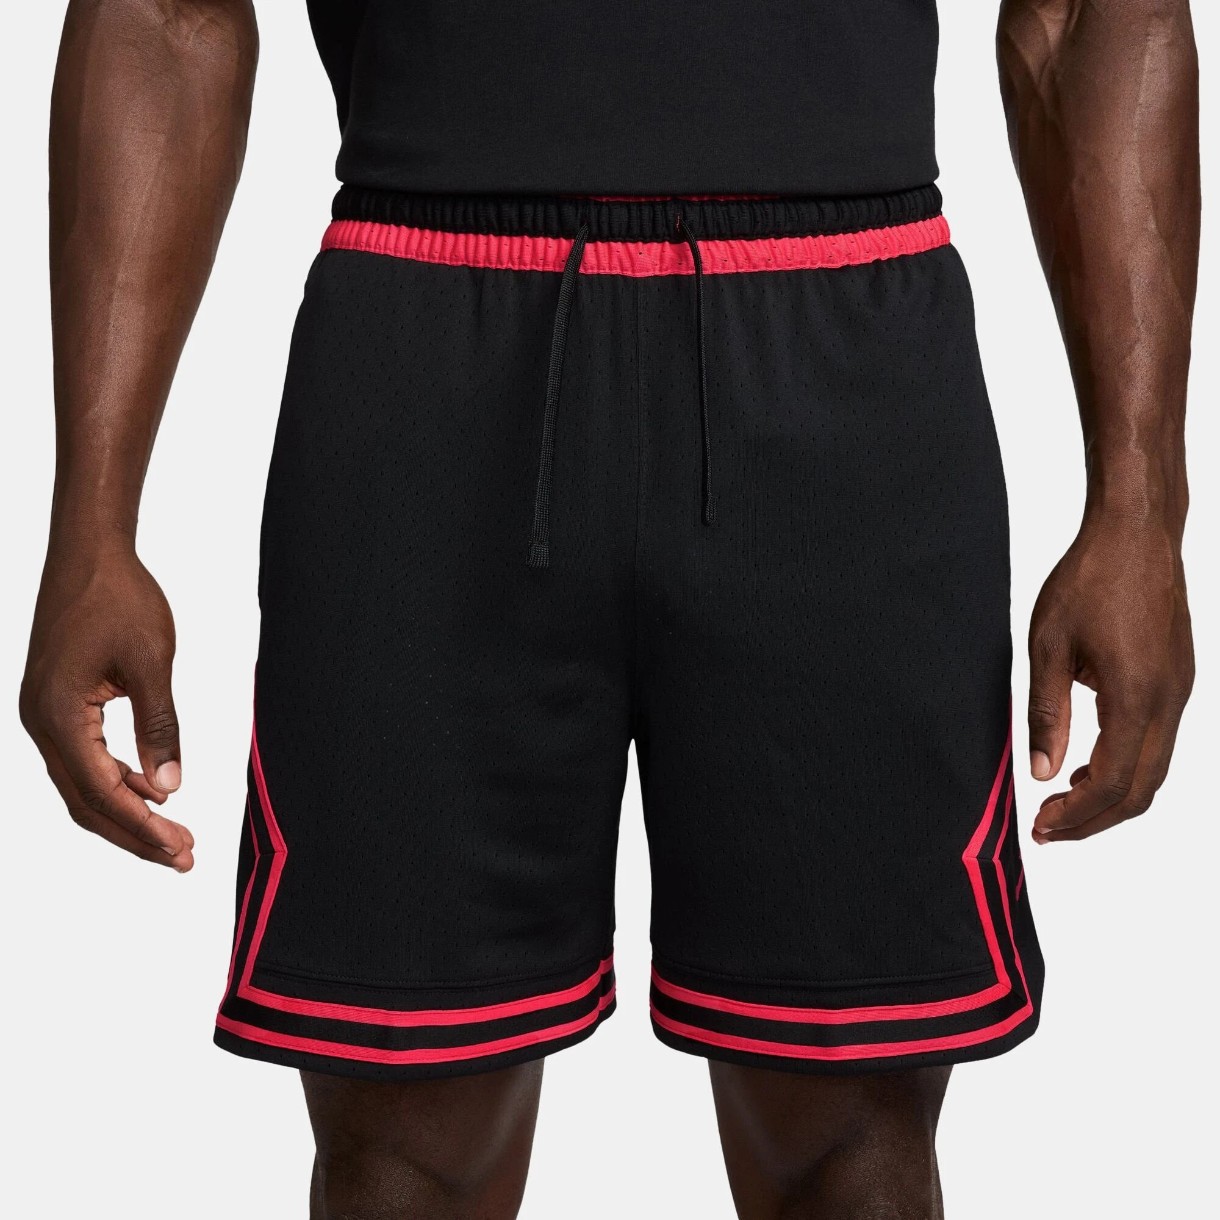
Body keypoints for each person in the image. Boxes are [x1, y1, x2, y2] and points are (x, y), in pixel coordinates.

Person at [19, 1, 1198, 1216]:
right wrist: (91, 525)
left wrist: (1139, 506)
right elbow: (166, 16)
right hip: (429, 366)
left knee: (850, 1133)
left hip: (840, 353)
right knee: (400, 1144)